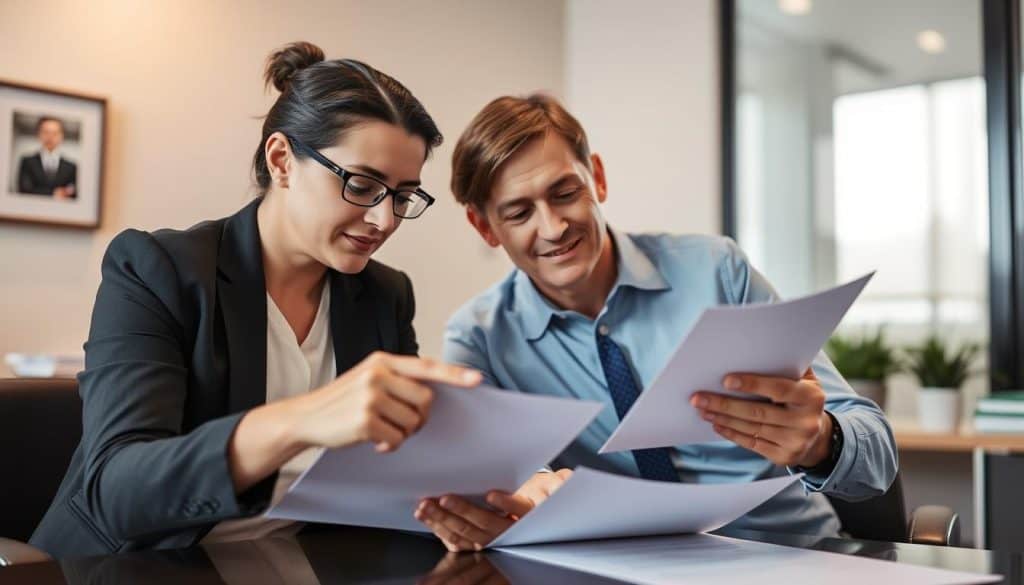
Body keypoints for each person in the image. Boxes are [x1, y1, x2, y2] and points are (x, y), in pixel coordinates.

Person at [30, 41, 480, 558]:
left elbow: (399, 468)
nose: (385, 220)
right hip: (133, 567)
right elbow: (117, 492)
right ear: (282, 159)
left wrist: (490, 492)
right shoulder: (159, 269)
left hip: (296, 562)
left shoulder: (385, 295)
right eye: (362, 185)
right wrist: (304, 419)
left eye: (403, 196)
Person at [414, 94, 898, 552]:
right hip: (618, 569)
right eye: (519, 212)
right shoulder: (479, 337)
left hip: (790, 554)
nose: (554, 227)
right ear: (484, 227)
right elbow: (480, 476)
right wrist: (521, 489)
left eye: (565, 193)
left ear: (597, 179)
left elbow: (876, 453)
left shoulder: (716, 270)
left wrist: (820, 441)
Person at [17, 116, 78, 199]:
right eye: (46, 132)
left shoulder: (71, 167)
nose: (50, 137)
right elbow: (24, 190)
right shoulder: (28, 162)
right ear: (39, 134)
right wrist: (52, 193)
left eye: (55, 133)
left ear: (62, 136)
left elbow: (74, 193)